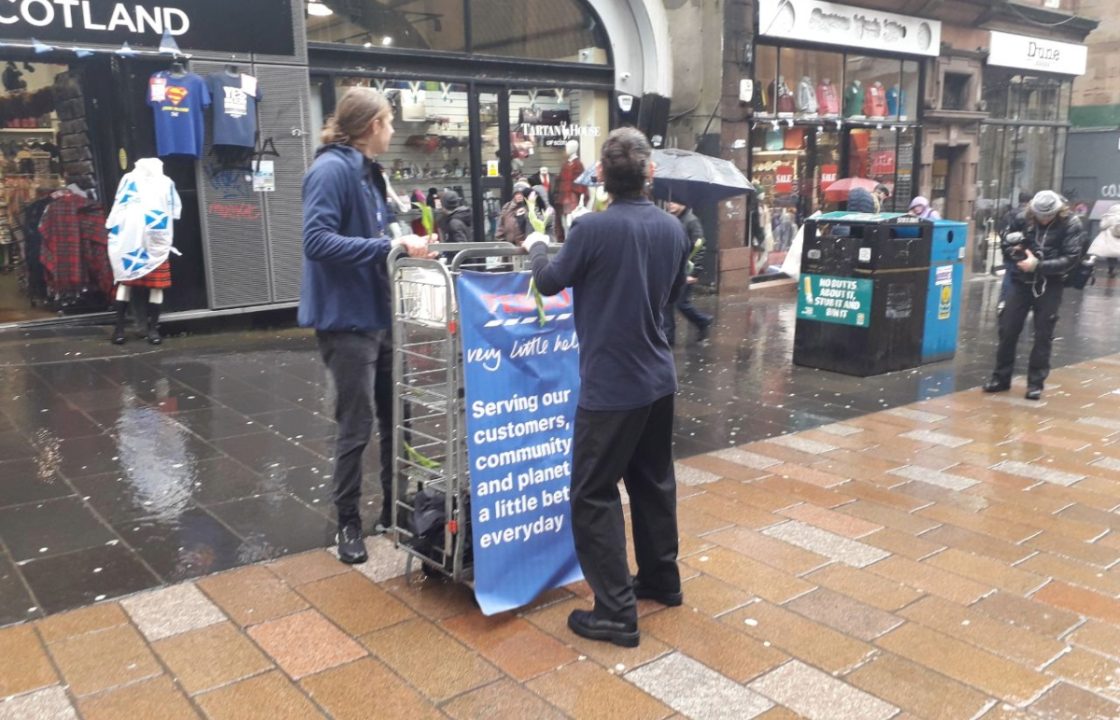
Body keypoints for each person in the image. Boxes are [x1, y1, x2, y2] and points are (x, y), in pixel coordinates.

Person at [524, 127, 690, 648]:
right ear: (649, 173)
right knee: (652, 482)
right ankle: (662, 579)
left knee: (592, 492)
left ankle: (616, 611)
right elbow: (674, 293)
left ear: (602, 178)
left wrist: (534, 247)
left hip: (612, 385)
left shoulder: (591, 230)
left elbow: (549, 282)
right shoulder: (673, 229)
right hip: (658, 377)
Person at [300, 87, 432, 565]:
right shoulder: (331, 169)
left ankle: (394, 512)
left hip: (379, 312)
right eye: (390, 122)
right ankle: (348, 525)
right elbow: (317, 240)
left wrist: (406, 243)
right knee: (355, 426)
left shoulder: (368, 172)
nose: (394, 131)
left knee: (399, 417)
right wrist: (385, 249)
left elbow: (377, 235)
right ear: (373, 125)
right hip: (347, 319)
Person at [983, 190, 1085, 401]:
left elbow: (1071, 258)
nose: (1044, 219)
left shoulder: (1071, 224)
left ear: (1058, 211)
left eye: (1049, 216)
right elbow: (1005, 242)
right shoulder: (1021, 217)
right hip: (1020, 281)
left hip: (1051, 283)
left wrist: (1038, 265)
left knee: (1043, 334)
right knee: (1008, 328)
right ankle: (1001, 378)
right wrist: (1013, 250)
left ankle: (1035, 384)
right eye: (1040, 216)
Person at [663, 201, 713, 345]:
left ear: (684, 204)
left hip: (686, 269)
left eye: (675, 202)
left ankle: (703, 320)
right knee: (667, 303)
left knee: (681, 303)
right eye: (668, 202)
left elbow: (699, 246)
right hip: (672, 268)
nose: (670, 205)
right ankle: (668, 336)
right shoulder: (671, 219)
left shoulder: (691, 221)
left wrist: (695, 272)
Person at [495, 180, 532, 246]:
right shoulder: (507, 207)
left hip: (525, 246)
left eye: (521, 194)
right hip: (509, 247)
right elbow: (500, 226)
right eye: (517, 194)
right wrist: (502, 243)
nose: (519, 196)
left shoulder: (530, 207)